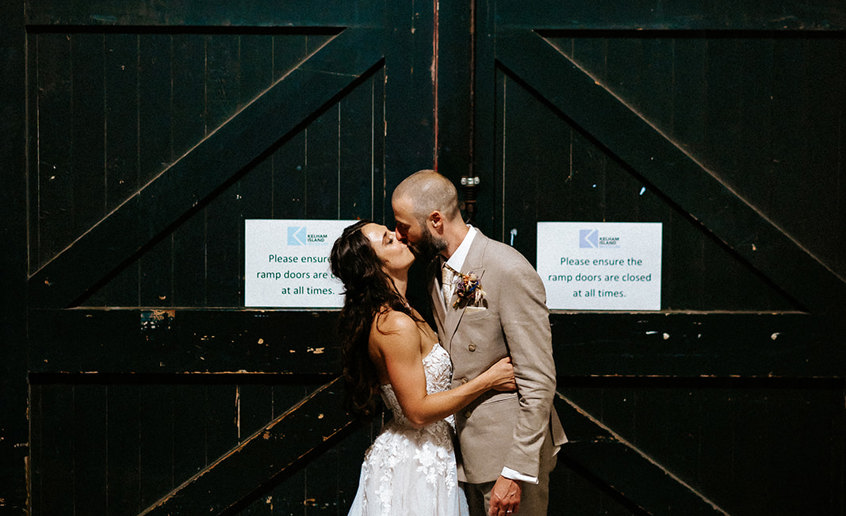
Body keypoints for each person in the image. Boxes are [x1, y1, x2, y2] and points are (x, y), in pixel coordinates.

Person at [391, 170, 567, 516]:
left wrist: (515, 472)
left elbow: (539, 381)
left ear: (435, 221)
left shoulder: (507, 269)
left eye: (403, 225)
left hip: (508, 457)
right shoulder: (435, 272)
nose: (399, 235)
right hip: (464, 458)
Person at [330, 219, 517, 516]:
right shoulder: (395, 323)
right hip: (414, 463)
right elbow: (416, 412)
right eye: (388, 240)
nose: (399, 237)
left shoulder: (407, 309)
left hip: (435, 454)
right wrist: (488, 380)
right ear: (374, 266)